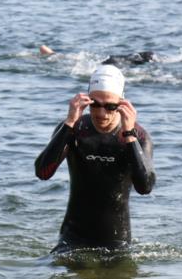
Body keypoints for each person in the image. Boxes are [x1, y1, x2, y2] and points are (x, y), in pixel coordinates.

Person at [34, 64, 155, 254]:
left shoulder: (138, 137)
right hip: (72, 238)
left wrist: (129, 135)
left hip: (117, 240)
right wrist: (69, 123)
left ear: (122, 104)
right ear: (86, 100)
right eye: (95, 104)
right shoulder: (74, 130)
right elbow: (42, 172)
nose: (101, 113)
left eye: (110, 106)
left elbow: (145, 187)